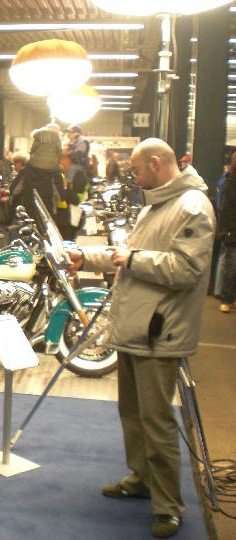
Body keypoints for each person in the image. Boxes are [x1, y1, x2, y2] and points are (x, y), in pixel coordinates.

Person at [65, 138, 215, 539]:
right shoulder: (157, 205)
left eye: (136, 170)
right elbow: (128, 253)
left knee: (157, 421)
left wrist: (132, 259)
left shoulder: (193, 207)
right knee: (132, 414)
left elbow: (186, 269)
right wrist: (88, 258)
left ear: (155, 162)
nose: (133, 177)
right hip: (136, 328)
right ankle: (141, 479)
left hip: (160, 333)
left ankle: (168, 507)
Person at [218, 159, 236, 312]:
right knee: (231, 267)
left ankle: (232, 298)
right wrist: (229, 230)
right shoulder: (229, 183)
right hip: (232, 233)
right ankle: (225, 299)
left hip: (231, 231)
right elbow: (225, 210)